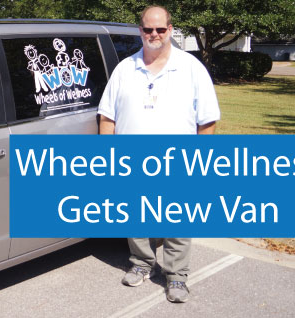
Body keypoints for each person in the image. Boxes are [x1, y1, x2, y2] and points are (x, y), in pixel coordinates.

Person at [97, 5, 220, 303]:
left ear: (170, 30)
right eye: (148, 29)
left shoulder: (191, 68)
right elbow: (107, 117)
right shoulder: (125, 68)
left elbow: (207, 121)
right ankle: (141, 263)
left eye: (160, 29)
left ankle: (176, 276)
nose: (154, 34)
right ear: (140, 30)